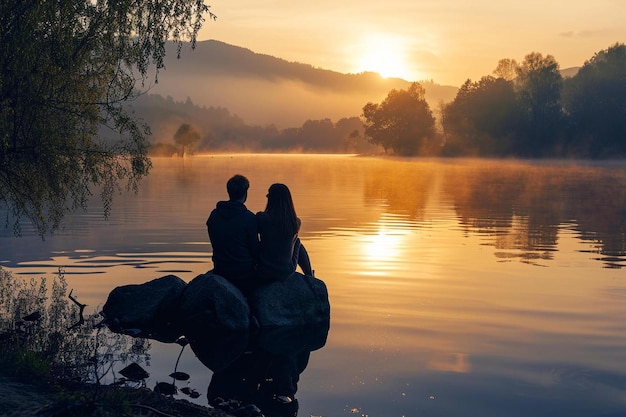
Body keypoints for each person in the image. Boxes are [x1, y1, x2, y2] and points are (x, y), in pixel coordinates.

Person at [206, 174, 259, 294]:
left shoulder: (214, 215)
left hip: (220, 269)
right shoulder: (249, 218)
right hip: (244, 273)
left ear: (228, 192)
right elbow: (255, 251)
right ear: (245, 194)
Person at [256, 183, 313, 281]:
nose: (266, 196)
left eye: (269, 194)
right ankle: (310, 275)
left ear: (272, 198)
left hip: (264, 270)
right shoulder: (295, 222)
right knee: (297, 242)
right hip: (285, 272)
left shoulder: (261, 218)